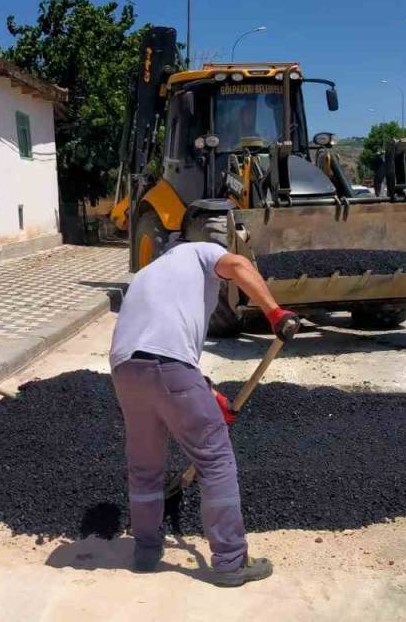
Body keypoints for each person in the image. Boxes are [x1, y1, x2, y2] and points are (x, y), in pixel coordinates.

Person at [109, 231, 299, 587]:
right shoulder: (202, 252)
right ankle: (230, 561)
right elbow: (240, 264)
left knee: (145, 468)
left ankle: (146, 551)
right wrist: (276, 314)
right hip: (168, 365)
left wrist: (206, 395)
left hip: (125, 370)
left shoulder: (148, 273)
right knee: (216, 461)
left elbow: (157, 353)